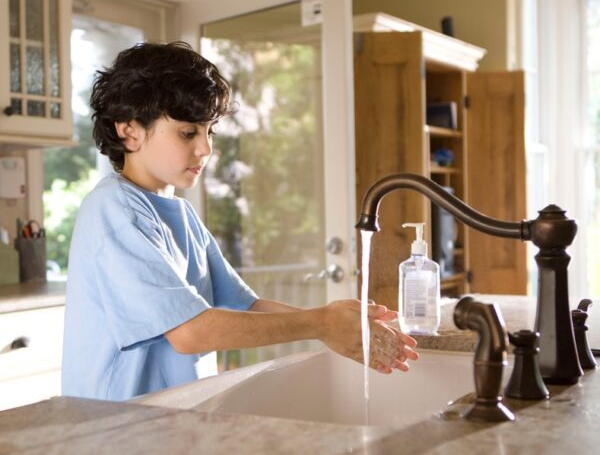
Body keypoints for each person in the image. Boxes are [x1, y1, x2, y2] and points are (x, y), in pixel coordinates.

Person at [61, 41, 418, 401]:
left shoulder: (179, 214)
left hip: (172, 417)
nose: (205, 149)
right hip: (117, 430)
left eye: (209, 132)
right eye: (188, 133)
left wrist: (335, 326)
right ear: (129, 131)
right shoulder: (114, 211)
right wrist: (320, 322)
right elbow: (189, 333)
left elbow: (244, 305)